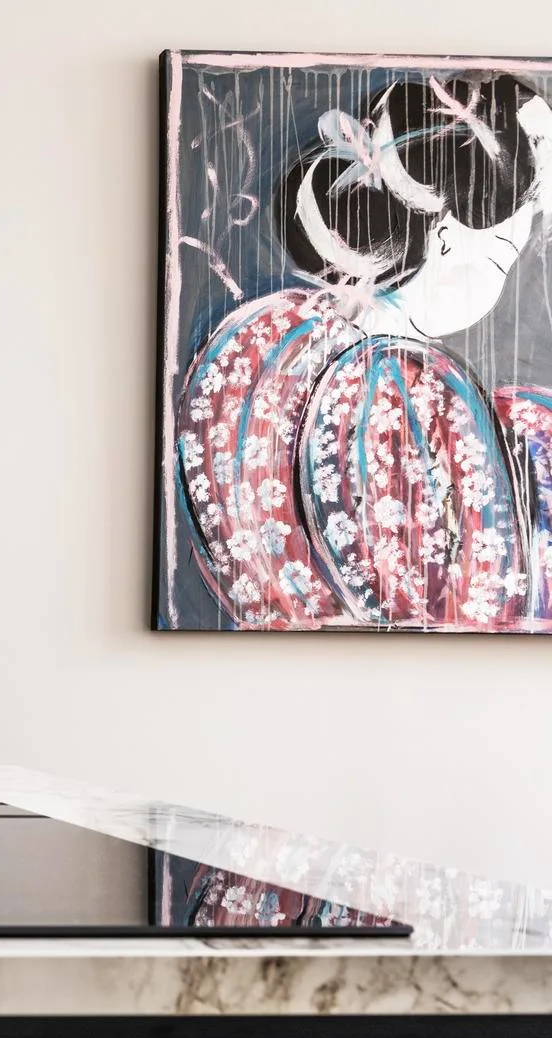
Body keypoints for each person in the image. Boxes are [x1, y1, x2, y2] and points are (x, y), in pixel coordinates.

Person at [176, 73, 552, 628]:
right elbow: (461, 618)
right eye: (503, 253)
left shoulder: (263, 339)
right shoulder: (400, 391)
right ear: (448, 240)